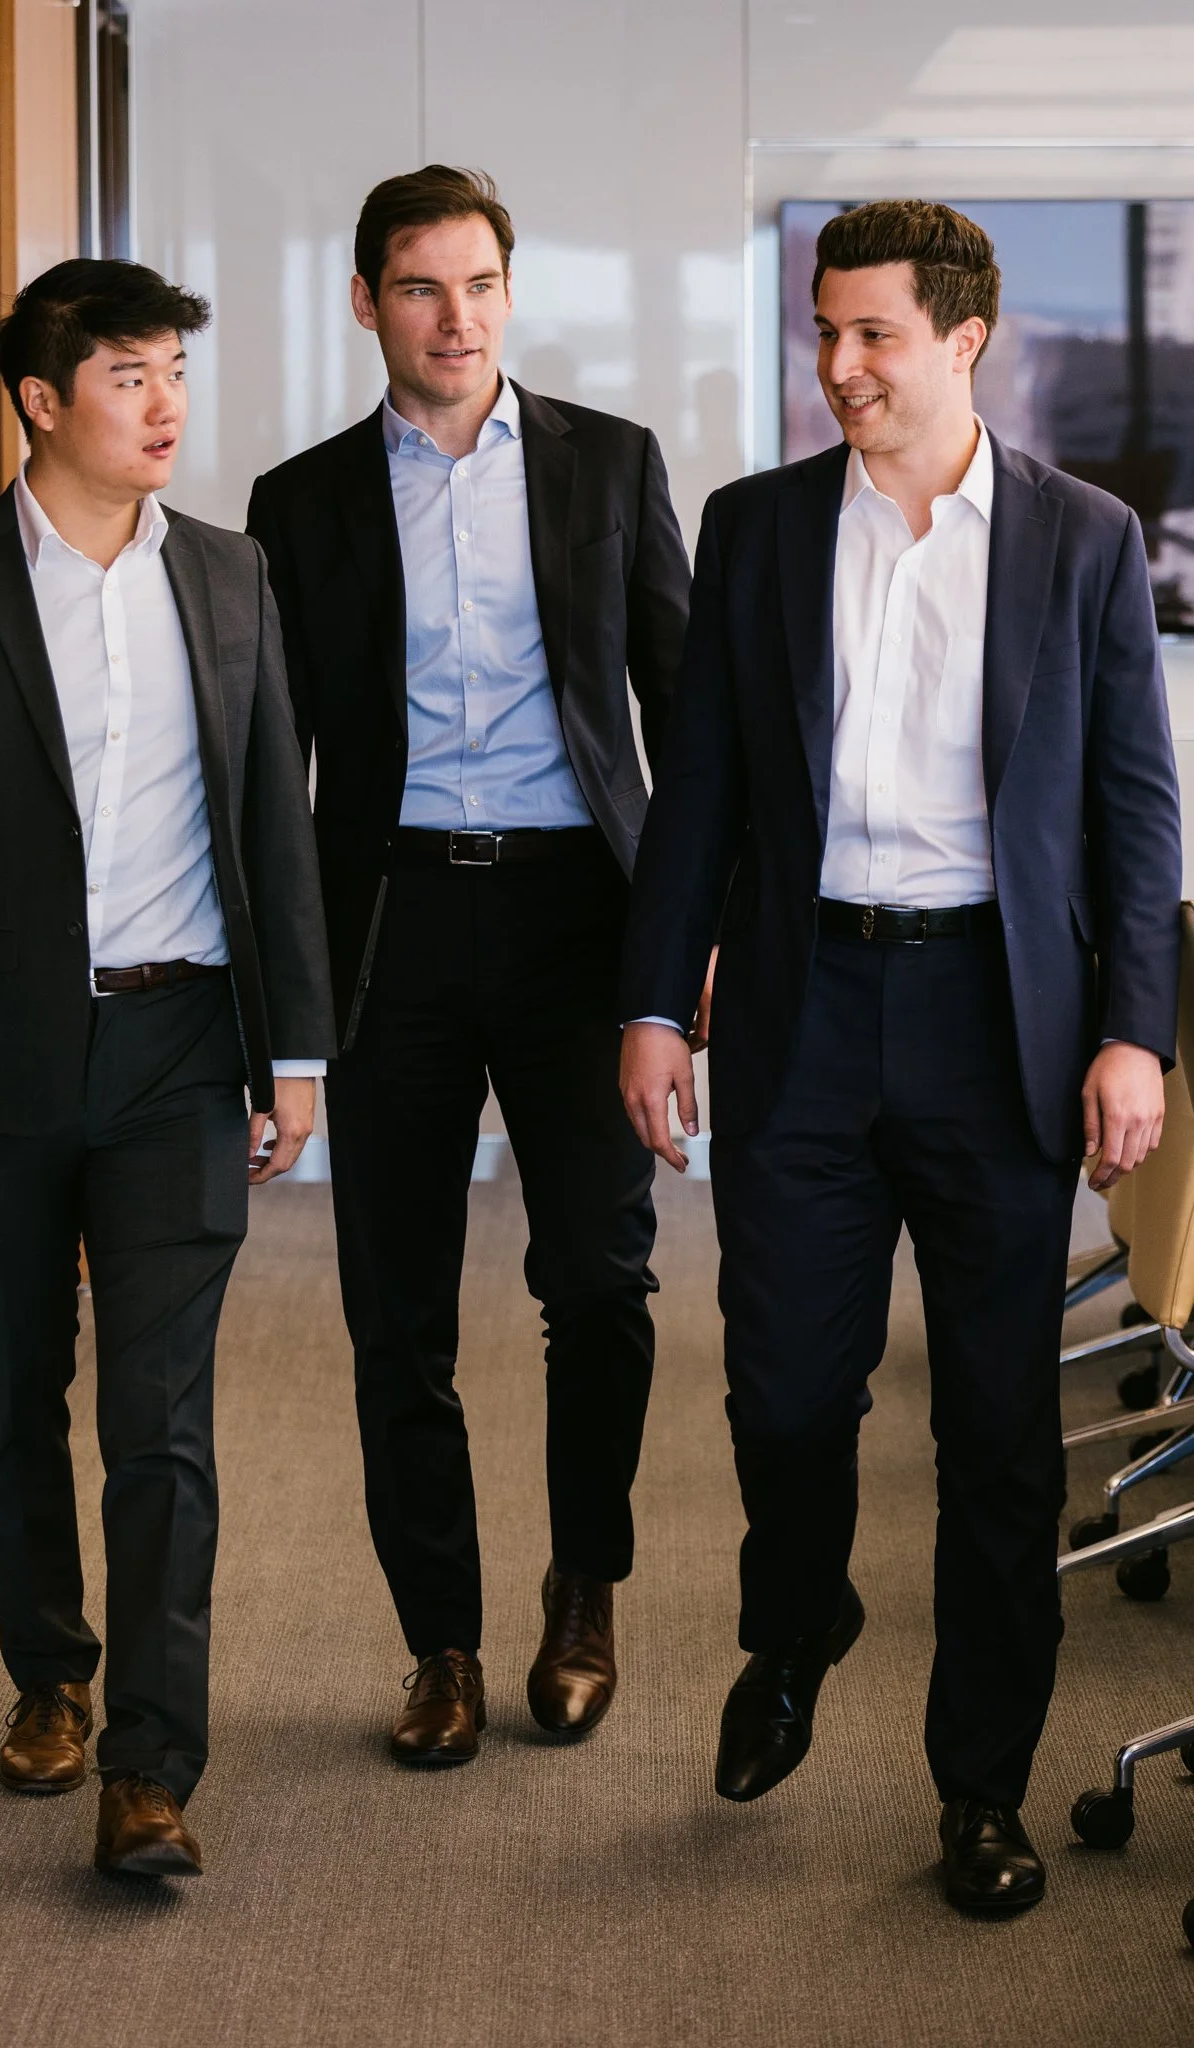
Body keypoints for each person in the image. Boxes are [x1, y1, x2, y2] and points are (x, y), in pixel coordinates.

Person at [619, 200, 1181, 1915]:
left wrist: (1132, 1032)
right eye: (823, 330)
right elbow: (700, 788)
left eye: (870, 334)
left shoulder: (1082, 540)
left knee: (998, 1438)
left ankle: (980, 1794)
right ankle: (795, 1627)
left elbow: (1129, 811)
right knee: (786, 1394)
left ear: (962, 339)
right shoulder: (758, 529)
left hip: (994, 1024)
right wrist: (653, 1003)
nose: (836, 366)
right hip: (802, 1014)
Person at [0, 259, 335, 1879]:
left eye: (175, 369)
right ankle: (49, 1672)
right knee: (12, 1389)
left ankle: (151, 1762)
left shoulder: (235, 575)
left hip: (186, 1044)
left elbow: (277, 823)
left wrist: (296, 1049)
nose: (166, 403)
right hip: (2, 1058)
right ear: (43, 401)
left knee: (162, 1416)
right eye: (129, 374)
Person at [247, 166, 690, 1765]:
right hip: (393, 929)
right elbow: (268, 768)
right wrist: (277, 1009)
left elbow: (684, 726)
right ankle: (437, 1639)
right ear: (365, 299)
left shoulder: (608, 466)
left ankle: (585, 1588)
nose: (457, 318)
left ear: (513, 289)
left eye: (481, 283)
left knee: (602, 1281)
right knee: (396, 1315)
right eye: (422, 288)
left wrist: (682, 956)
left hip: (579, 919)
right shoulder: (297, 505)